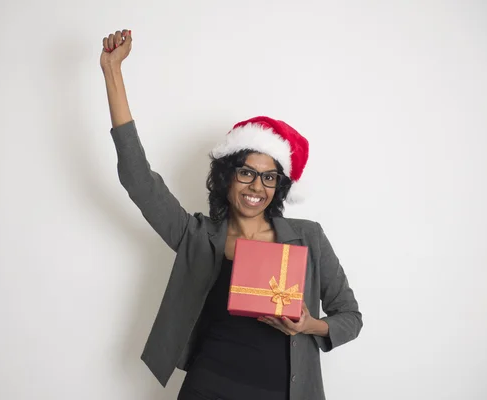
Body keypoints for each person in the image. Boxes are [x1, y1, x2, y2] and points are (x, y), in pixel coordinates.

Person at [100, 29, 363, 400]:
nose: (257, 186)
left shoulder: (309, 237)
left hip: (282, 391)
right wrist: (113, 72)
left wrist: (311, 324)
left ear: (279, 186)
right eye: (246, 172)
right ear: (227, 178)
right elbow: (138, 180)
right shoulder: (198, 236)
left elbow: (350, 315)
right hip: (209, 386)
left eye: (269, 177)